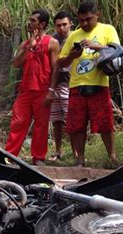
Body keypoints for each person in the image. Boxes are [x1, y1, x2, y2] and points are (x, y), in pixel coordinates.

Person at [58, 1, 120, 167]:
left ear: (97, 16)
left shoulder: (107, 29)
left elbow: (117, 51)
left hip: (99, 84)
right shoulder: (73, 36)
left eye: (88, 19)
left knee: (105, 123)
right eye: (81, 20)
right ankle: (80, 159)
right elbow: (61, 63)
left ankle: (112, 158)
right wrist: (72, 56)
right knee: (76, 125)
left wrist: (96, 46)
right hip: (76, 86)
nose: (85, 23)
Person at [5, 9, 60, 165]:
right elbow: (15, 64)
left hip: (43, 90)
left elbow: (56, 68)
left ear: (42, 24)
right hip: (25, 91)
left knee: (41, 126)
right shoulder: (25, 43)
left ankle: (38, 157)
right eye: (29, 20)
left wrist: (51, 90)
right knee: (18, 122)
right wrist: (29, 47)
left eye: (33, 21)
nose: (29, 23)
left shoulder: (52, 42)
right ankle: (10, 156)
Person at [49, 11, 74, 162]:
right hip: (55, 84)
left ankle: (76, 152)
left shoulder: (75, 37)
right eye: (58, 25)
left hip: (70, 83)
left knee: (70, 119)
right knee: (56, 120)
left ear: (70, 23)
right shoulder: (53, 40)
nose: (62, 28)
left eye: (64, 24)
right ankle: (58, 150)